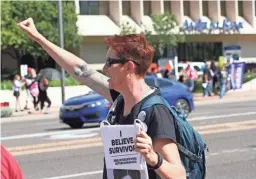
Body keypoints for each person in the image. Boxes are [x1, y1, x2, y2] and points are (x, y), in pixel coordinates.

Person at [18, 18, 186, 179]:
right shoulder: (120, 98)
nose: (104, 68)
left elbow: (179, 175)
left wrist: (152, 157)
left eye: (110, 62)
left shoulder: (155, 111)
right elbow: (81, 71)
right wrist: (38, 38)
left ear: (129, 66)